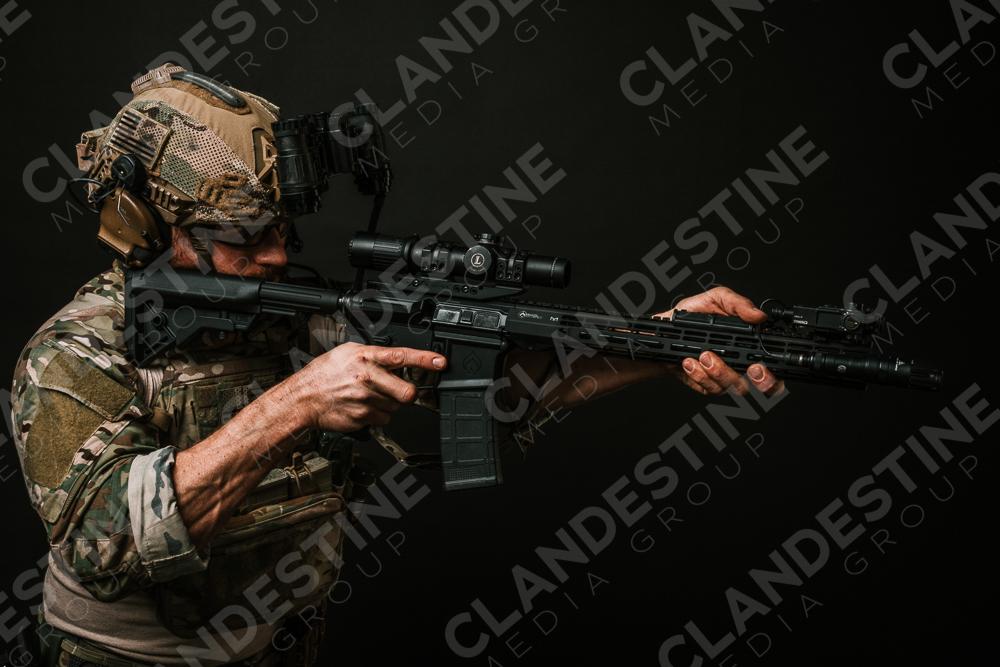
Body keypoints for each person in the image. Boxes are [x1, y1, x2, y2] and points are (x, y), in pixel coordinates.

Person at [9, 65, 784, 666]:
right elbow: (104, 545)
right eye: (242, 236)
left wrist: (660, 341)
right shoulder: (75, 351)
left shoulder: (295, 316)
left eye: (282, 228)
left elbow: (503, 389)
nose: (275, 255)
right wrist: (296, 403)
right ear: (147, 225)